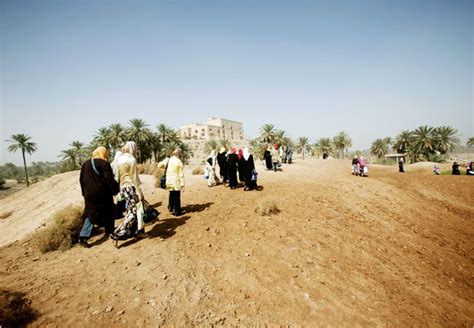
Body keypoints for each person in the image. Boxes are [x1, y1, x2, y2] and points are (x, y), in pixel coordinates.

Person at [79, 146, 120, 247]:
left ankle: (83, 237)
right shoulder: (104, 164)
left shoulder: (85, 164)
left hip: (89, 194)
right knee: (109, 210)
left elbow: (81, 180)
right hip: (103, 193)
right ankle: (109, 231)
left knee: (90, 213)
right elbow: (109, 179)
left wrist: (84, 193)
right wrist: (115, 189)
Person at [111, 141, 146, 241]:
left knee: (132, 210)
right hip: (131, 188)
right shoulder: (131, 160)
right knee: (133, 212)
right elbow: (134, 178)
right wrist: (140, 192)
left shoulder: (120, 159)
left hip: (123, 188)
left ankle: (137, 232)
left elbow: (117, 176)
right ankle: (117, 233)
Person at [158, 148, 185, 216]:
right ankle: (177, 211)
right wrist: (182, 184)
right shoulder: (179, 162)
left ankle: (170, 207)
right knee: (176, 196)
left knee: (171, 194)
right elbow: (181, 175)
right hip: (176, 181)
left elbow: (159, 166)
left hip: (168, 180)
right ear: (180, 154)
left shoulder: (168, 160)